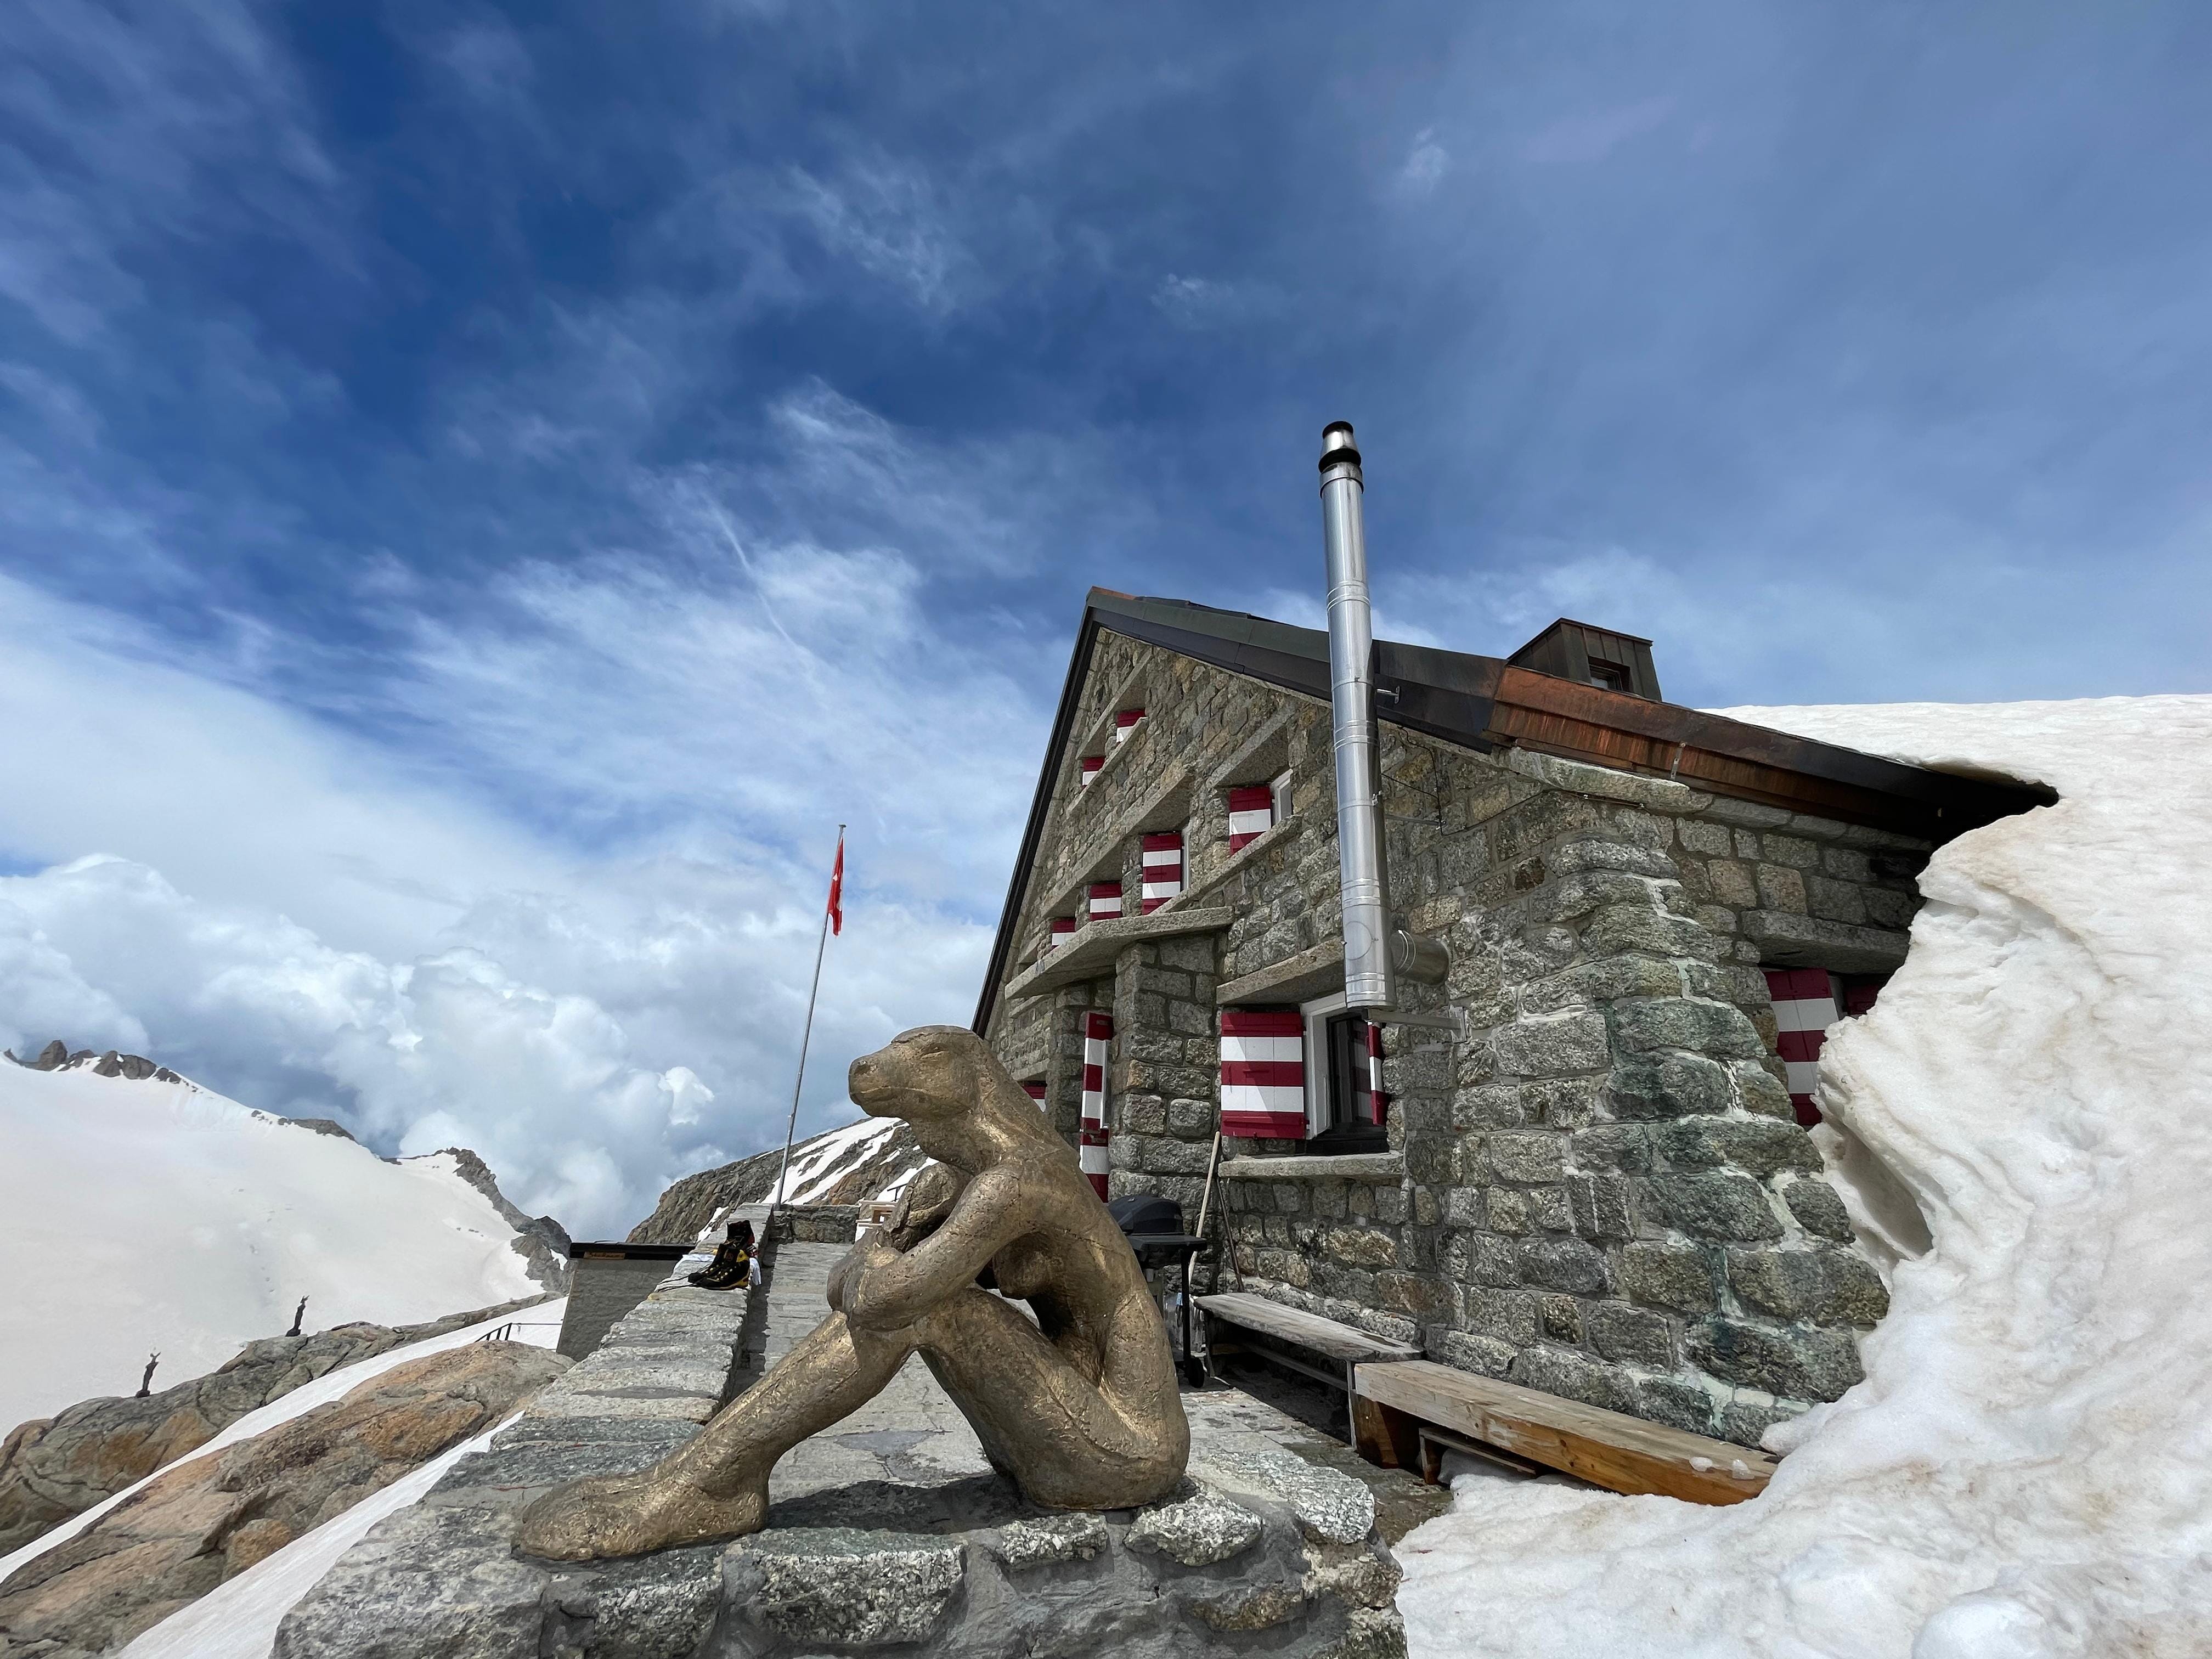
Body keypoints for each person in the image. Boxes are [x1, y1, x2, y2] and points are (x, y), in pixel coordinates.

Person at [514, 1025, 1188, 1561]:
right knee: (918, 1304)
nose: (880, 1066)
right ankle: (694, 1478)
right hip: (1058, 1435)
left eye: (923, 1055)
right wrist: (880, 1261)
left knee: (938, 1309)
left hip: (1127, 1452)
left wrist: (880, 1259)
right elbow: (846, 1288)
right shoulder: (958, 1180)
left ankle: (708, 1484)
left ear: (973, 1080)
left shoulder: (1019, 1181)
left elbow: (886, 1300)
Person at [687, 1219, 755, 1289]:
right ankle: (719, 1271)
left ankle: (736, 1276)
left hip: (738, 1267)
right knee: (729, 1248)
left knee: (736, 1251)